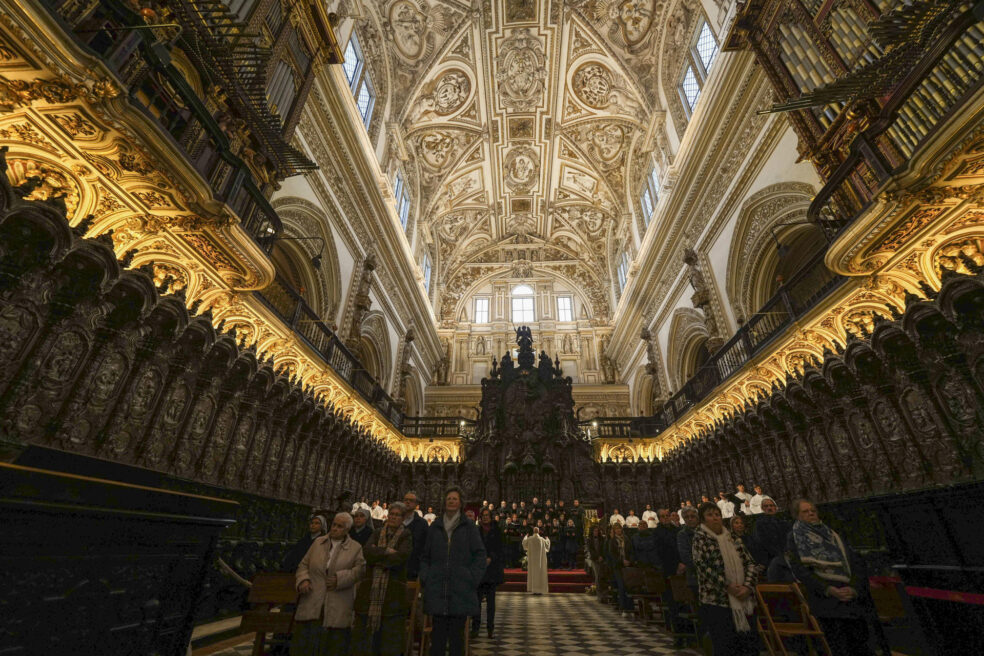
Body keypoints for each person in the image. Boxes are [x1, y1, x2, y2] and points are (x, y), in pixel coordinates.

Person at [786, 499, 875, 656]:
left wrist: (854, 588)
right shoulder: (795, 537)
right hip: (826, 602)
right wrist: (828, 589)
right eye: (805, 511)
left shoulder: (833, 534)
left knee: (860, 646)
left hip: (851, 598)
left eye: (813, 510)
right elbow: (800, 570)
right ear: (797, 516)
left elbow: (855, 561)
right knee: (838, 648)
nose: (811, 513)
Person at [419, 487, 487, 656]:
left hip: (460, 589)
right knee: (438, 640)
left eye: (454, 498)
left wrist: (471, 578)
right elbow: (425, 556)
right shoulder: (435, 526)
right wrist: (427, 577)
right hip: (437, 588)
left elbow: (480, 555)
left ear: (460, 503)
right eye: (449, 498)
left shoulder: (469, 526)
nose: (451, 501)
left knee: (457, 640)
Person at [293, 513, 365, 656]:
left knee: (333, 644)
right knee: (308, 641)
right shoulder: (318, 542)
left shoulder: (355, 547)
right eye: (334, 525)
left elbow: (360, 570)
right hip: (313, 596)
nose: (335, 528)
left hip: (338, 600)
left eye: (340, 526)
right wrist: (304, 579)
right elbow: (303, 565)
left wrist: (340, 579)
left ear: (347, 530)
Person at [692, 502, 758, 656]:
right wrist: (728, 586)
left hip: (744, 598)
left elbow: (750, 563)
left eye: (717, 514)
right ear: (703, 520)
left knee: (749, 645)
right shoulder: (700, 538)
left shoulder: (732, 537)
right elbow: (704, 567)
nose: (715, 518)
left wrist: (747, 587)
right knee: (724, 645)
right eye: (710, 515)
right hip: (717, 600)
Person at [351, 502, 412, 656]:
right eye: (392, 514)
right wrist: (386, 551)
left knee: (388, 638)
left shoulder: (406, 535)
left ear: (403, 518)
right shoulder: (377, 532)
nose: (393, 517)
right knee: (366, 638)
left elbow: (401, 557)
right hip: (371, 589)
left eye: (397, 515)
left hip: (392, 591)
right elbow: (366, 552)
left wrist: (377, 554)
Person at [654, 508, 686, 647]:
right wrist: (674, 565)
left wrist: (683, 563)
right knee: (673, 604)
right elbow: (661, 552)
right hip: (669, 570)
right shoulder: (657, 532)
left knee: (684, 603)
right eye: (663, 516)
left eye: (668, 516)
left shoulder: (676, 530)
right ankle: (678, 635)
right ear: (659, 518)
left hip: (682, 569)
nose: (666, 518)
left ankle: (690, 634)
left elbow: (682, 548)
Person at [472, 508, 504, 638]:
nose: (485, 517)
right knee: (476, 602)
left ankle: (490, 628)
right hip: (479, 570)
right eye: (483, 516)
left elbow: (500, 547)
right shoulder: (476, 531)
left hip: (492, 570)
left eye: (487, 515)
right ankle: (475, 628)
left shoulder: (497, 531)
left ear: (491, 517)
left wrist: (491, 557)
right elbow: (473, 548)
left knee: (491, 603)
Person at [752, 496, 792, 580]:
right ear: (762, 508)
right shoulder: (759, 524)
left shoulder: (783, 522)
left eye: (771, 505)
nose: (769, 508)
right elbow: (762, 542)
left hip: (787, 558)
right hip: (771, 561)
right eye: (766, 506)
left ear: (775, 507)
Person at [606, 521, 635, 616]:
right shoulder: (612, 541)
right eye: (616, 529)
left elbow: (631, 551)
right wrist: (621, 561)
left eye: (619, 528)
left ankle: (631, 608)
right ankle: (623, 608)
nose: (618, 530)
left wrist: (629, 561)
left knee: (629, 585)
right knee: (621, 586)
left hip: (627, 565)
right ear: (614, 531)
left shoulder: (626, 539)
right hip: (618, 566)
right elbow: (612, 554)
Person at [401, 490, 429, 580]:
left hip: (412, 566)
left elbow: (425, 546)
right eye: (406, 500)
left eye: (411, 500)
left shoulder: (422, 524)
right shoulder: (395, 519)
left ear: (416, 504)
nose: (408, 502)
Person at [677, 507, 699, 600]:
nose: (690, 519)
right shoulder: (682, 534)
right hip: (695, 576)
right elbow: (685, 556)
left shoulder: (704, 530)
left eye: (692, 516)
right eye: (686, 517)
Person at [523, 526, 550, 594]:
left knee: (533, 573)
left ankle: (533, 588)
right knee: (539, 573)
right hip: (539, 562)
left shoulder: (530, 539)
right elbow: (547, 545)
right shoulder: (541, 539)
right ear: (538, 532)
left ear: (533, 531)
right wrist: (547, 539)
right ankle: (539, 589)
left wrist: (526, 536)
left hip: (533, 561)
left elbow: (524, 543)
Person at [586, 523, 604, 592]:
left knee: (601, 576)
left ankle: (602, 591)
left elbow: (603, 548)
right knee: (597, 576)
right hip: (595, 559)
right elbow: (591, 550)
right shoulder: (590, 539)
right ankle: (599, 592)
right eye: (595, 531)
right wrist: (597, 557)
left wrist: (601, 556)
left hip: (601, 559)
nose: (596, 532)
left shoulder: (601, 538)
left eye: (597, 531)